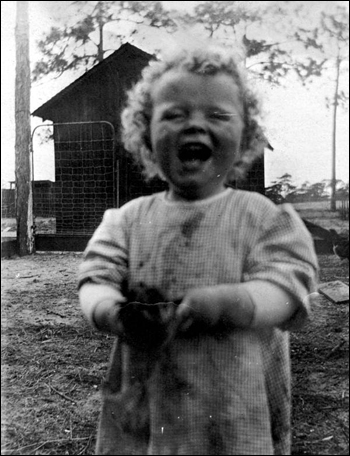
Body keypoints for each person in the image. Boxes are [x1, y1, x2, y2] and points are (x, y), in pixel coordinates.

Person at [78, 43, 318, 455]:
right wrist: (110, 312)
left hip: (234, 409)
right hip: (148, 409)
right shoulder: (126, 221)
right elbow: (95, 278)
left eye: (217, 115)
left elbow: (289, 286)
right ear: (146, 137)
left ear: (245, 138)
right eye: (174, 114)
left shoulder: (263, 219)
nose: (194, 125)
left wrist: (233, 302)